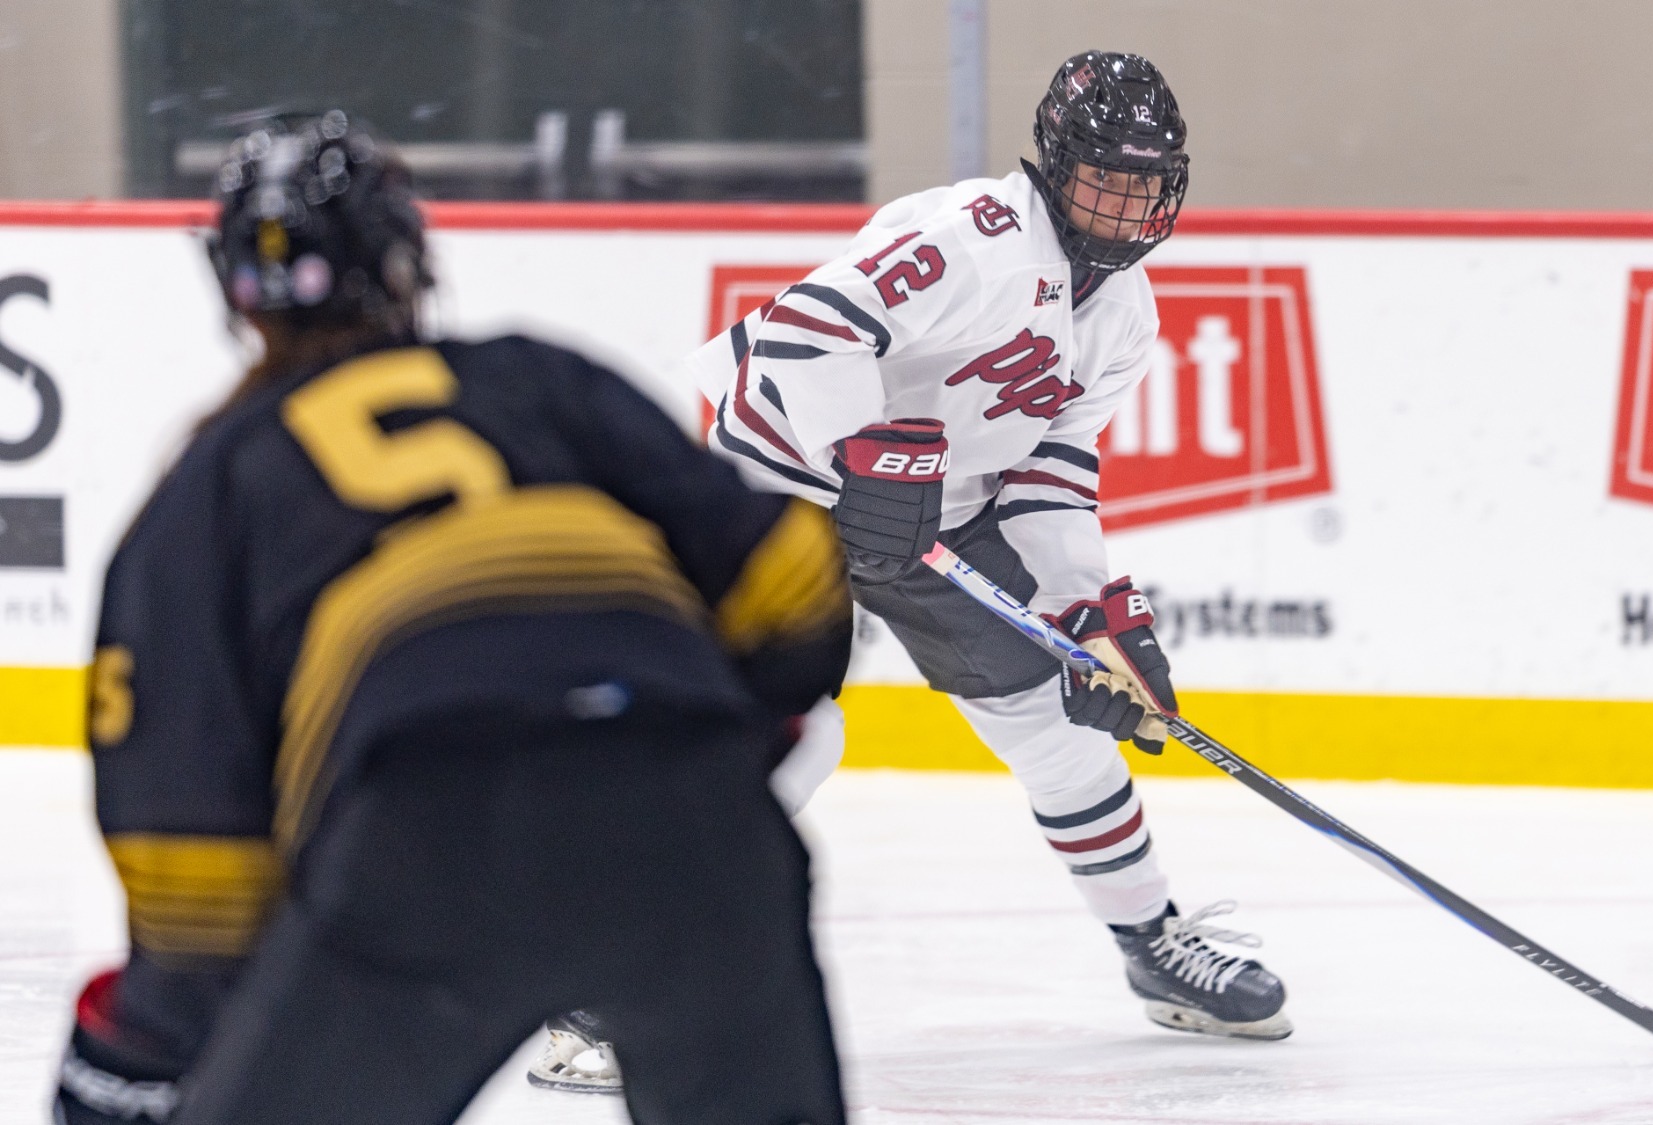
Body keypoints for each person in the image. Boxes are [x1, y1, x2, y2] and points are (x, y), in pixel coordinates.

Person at [51, 111, 851, 1125]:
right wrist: (698, 759)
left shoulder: (209, 491)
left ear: (235, 292)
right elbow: (796, 595)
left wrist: (160, 1035)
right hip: (696, 820)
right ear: (406, 258)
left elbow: (189, 853)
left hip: (429, 839)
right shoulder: (541, 380)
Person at [529, 46, 1288, 1097]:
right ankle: (603, 975)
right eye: (1103, 179)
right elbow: (800, 329)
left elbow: (1052, 472)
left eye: (1144, 184)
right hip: (785, 488)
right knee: (791, 737)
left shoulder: (1124, 313)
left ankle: (1153, 943)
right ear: (1055, 167)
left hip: (946, 508)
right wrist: (858, 451)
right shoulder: (965, 237)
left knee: (1052, 721)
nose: (1123, 207)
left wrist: (1084, 618)